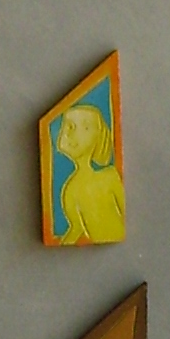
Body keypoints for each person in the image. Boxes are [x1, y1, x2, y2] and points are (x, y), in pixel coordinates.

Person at [49, 100, 125, 246]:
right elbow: (76, 228)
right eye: (69, 126)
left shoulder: (110, 177)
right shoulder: (70, 189)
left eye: (86, 127)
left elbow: (127, 213)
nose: (71, 133)